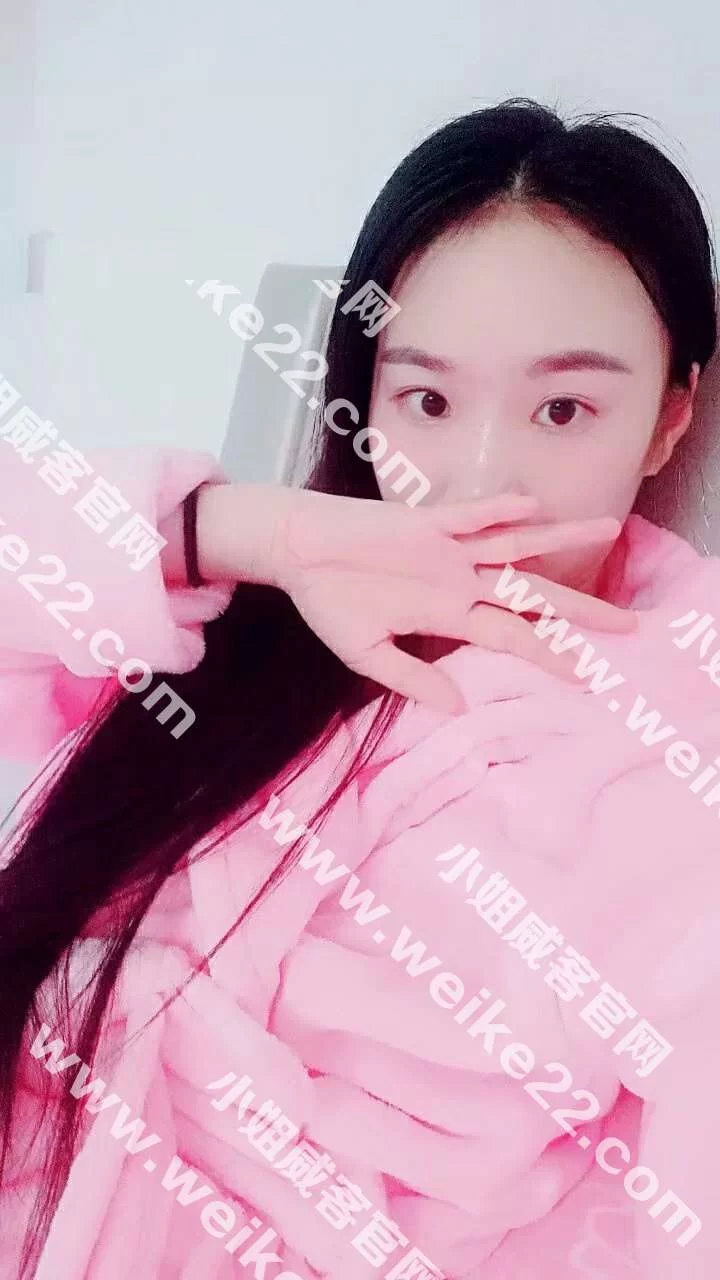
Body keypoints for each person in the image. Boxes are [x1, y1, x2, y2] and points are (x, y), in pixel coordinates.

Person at [0, 96, 718, 1279]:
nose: (480, 483)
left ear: (668, 416)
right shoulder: (237, 621)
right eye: (426, 400)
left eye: (563, 409)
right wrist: (241, 535)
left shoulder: (685, 741)